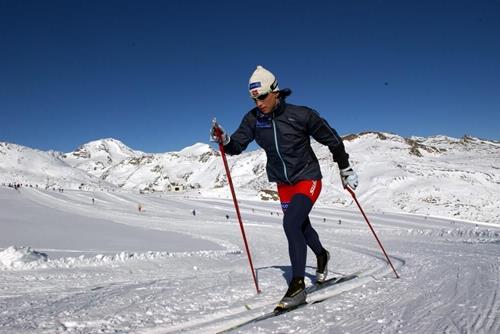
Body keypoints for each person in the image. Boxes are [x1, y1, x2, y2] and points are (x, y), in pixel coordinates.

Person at [210, 65, 358, 312]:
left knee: (290, 224)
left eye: (262, 97)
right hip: (283, 183)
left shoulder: (302, 115)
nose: (258, 103)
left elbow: (332, 139)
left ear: (275, 92)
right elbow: (236, 146)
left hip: (308, 177)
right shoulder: (253, 119)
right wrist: (225, 140)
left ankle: (297, 286)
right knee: (300, 225)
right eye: (254, 99)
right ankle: (322, 255)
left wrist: (344, 168)